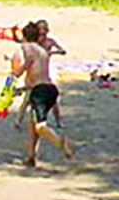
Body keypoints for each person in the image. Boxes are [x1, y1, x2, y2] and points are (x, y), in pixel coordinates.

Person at [11, 22, 73, 167]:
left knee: (40, 127)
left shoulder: (25, 48)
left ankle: (60, 142)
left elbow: (19, 71)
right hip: (50, 89)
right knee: (33, 128)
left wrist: (15, 72)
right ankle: (31, 157)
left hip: (40, 92)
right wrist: (22, 89)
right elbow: (36, 76)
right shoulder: (42, 50)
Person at [15, 19, 67, 129]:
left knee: (51, 99)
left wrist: (52, 52)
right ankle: (19, 120)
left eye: (45, 31)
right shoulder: (35, 43)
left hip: (44, 70)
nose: (43, 34)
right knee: (27, 98)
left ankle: (57, 121)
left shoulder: (49, 42)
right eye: (41, 31)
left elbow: (63, 51)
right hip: (34, 71)